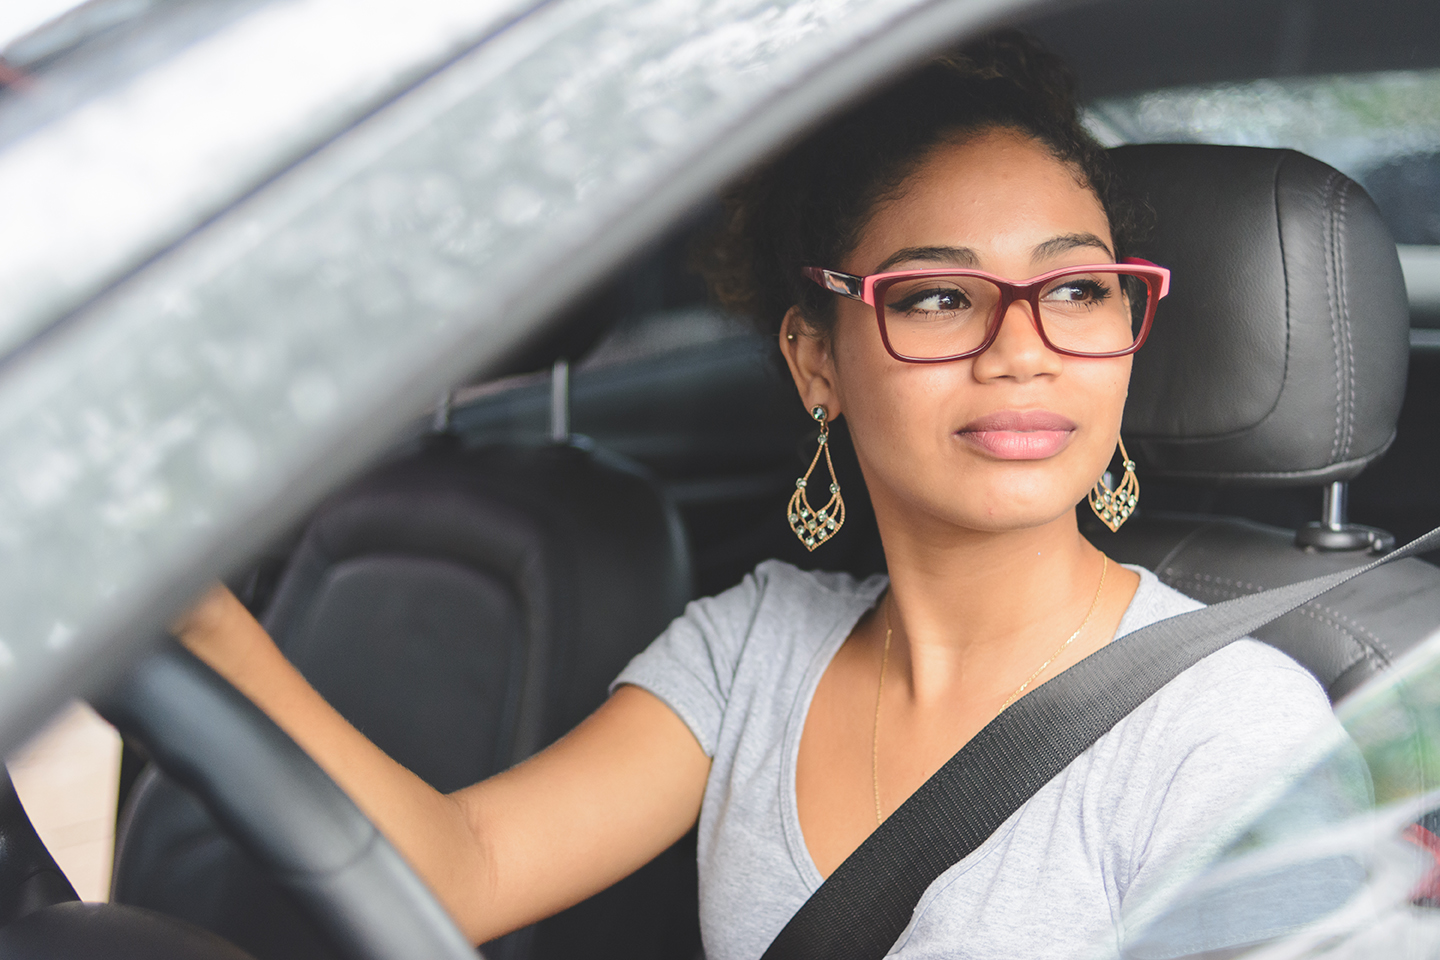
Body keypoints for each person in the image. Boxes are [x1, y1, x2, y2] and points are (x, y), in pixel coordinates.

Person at [176, 31, 1344, 959]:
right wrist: (198, 623)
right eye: (939, 297)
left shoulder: (1230, 732)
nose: (1024, 349)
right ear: (814, 359)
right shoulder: (750, 650)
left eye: (1078, 289)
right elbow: (465, 867)